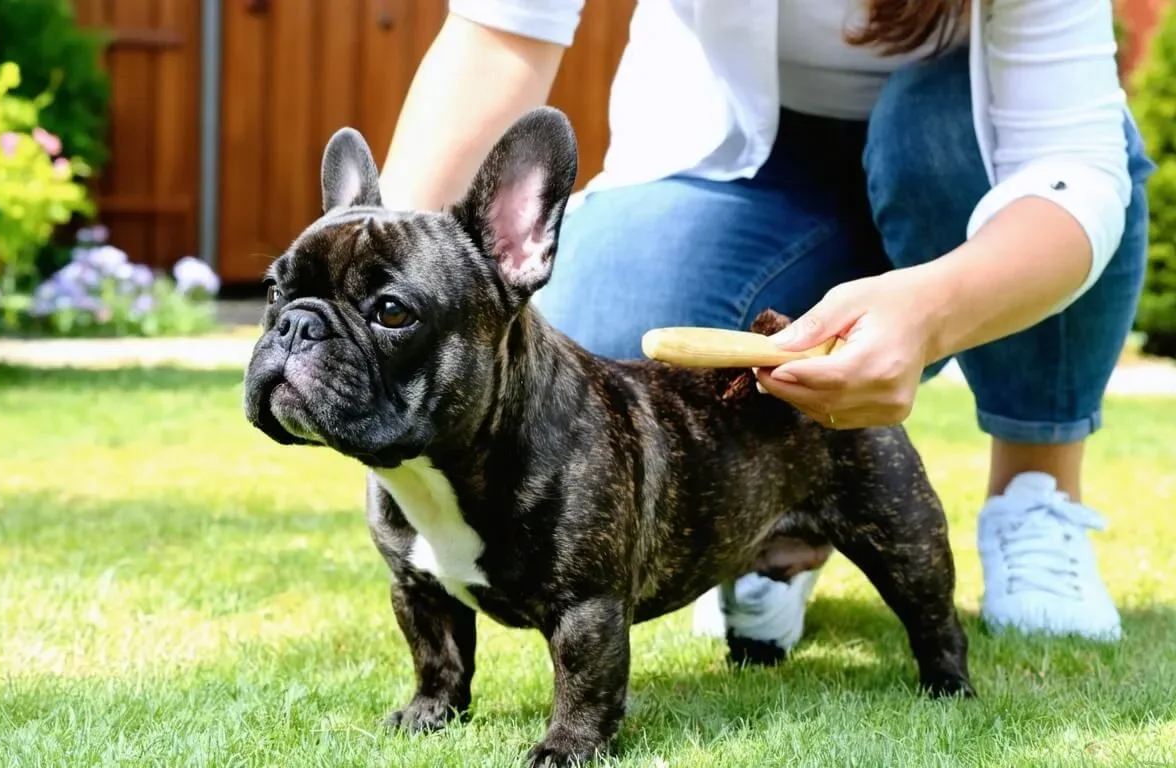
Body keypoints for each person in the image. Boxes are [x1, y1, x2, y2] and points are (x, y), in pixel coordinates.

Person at [374, 0, 1154, 650]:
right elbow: (499, 33)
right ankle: (762, 527)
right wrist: (380, 310)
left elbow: (1072, 166)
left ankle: (1036, 492)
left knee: (934, 132)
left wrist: (928, 315)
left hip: (962, 148)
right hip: (738, 165)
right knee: (597, 354)